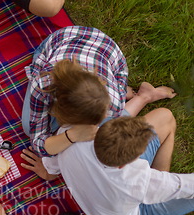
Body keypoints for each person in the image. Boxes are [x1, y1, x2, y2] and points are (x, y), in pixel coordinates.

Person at [23, 110, 194, 215]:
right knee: (166, 117)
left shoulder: (70, 137)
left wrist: (48, 170)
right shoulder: (140, 180)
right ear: (127, 163)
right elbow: (187, 187)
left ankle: (162, 214)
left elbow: (53, 167)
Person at [22, 26, 176, 158]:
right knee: (28, 127)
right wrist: (72, 136)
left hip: (111, 54)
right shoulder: (43, 84)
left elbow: (109, 124)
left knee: (109, 124)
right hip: (63, 38)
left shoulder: (114, 103)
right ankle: (142, 96)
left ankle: (144, 97)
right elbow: (38, 143)